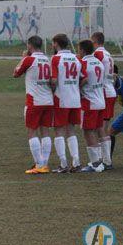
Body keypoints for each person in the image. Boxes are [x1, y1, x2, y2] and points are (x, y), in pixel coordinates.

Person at [13, 36, 53, 174]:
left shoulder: (29, 59)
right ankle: (45, 164)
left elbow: (15, 73)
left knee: (32, 131)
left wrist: (23, 57)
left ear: (30, 46)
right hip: (48, 100)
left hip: (34, 101)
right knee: (45, 131)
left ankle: (38, 164)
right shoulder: (48, 59)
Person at [50, 33, 82, 173]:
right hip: (75, 98)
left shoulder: (56, 58)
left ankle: (63, 164)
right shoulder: (76, 58)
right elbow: (83, 78)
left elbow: (54, 80)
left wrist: (50, 88)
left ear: (56, 43)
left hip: (61, 97)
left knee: (59, 130)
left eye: (53, 43)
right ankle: (76, 162)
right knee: (71, 130)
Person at [76, 39, 107, 172]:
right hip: (100, 100)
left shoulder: (83, 63)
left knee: (88, 131)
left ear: (82, 50)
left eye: (78, 50)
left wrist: (77, 87)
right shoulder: (99, 63)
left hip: (89, 101)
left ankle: (95, 163)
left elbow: (84, 80)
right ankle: (102, 160)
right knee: (97, 129)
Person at [92, 32, 115, 168]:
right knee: (102, 127)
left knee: (100, 128)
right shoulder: (108, 54)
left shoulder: (98, 54)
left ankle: (105, 160)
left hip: (104, 92)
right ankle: (105, 159)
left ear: (95, 42)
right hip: (110, 90)